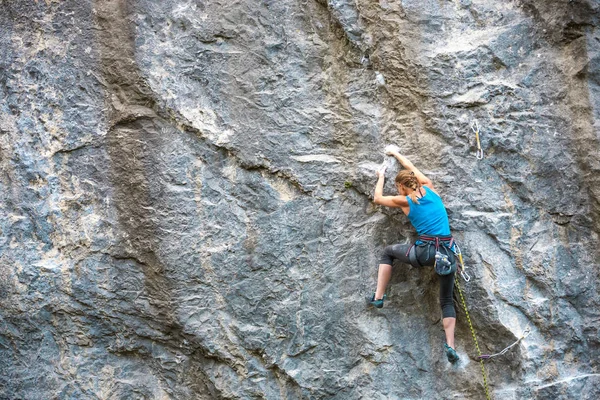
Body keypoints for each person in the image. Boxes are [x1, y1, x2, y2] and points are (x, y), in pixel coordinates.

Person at [368, 147, 459, 363]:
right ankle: (450, 346)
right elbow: (412, 169)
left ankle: (378, 297)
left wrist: (381, 176)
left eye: (398, 187)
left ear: (401, 186)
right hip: (447, 254)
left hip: (425, 253)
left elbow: (378, 198)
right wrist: (397, 154)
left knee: (388, 252)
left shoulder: (406, 202)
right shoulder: (431, 188)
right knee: (446, 300)